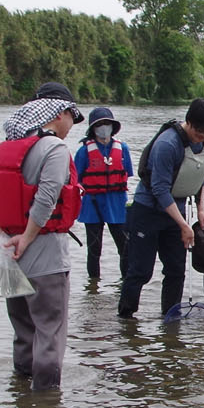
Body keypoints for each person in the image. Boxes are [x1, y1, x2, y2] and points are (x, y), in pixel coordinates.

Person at [0, 86, 84, 390]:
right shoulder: (54, 149)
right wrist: (26, 238)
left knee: (23, 331)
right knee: (49, 334)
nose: (71, 126)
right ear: (60, 113)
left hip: (9, 260)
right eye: (72, 118)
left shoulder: (9, 147)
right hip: (46, 259)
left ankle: (20, 398)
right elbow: (47, 197)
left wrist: (6, 238)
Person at [118, 98, 204, 320]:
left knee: (175, 270)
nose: (203, 137)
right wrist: (184, 225)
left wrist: (200, 210)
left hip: (177, 213)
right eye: (199, 132)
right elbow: (159, 189)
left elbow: (198, 176)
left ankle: (170, 321)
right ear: (189, 122)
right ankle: (125, 319)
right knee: (140, 271)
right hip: (148, 211)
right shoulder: (168, 144)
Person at [73, 106, 133, 284]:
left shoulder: (123, 149)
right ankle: (93, 287)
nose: (104, 127)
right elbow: (76, 179)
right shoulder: (83, 151)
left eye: (107, 124)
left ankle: (126, 283)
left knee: (125, 248)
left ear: (113, 127)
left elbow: (128, 173)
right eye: (100, 124)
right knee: (94, 250)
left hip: (117, 204)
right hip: (93, 205)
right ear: (93, 128)